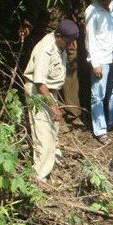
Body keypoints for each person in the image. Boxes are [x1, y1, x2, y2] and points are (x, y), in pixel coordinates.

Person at [23, 19, 79, 181]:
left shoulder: (59, 44)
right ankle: (39, 176)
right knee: (43, 133)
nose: (71, 45)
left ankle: (52, 161)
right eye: (69, 41)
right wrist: (55, 107)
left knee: (53, 129)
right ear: (59, 36)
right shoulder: (45, 49)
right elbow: (40, 83)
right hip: (38, 91)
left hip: (49, 91)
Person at [85, 0, 113, 144]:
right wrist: (95, 63)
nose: (107, 0)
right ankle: (100, 130)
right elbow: (90, 38)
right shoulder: (92, 11)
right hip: (100, 58)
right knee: (97, 96)